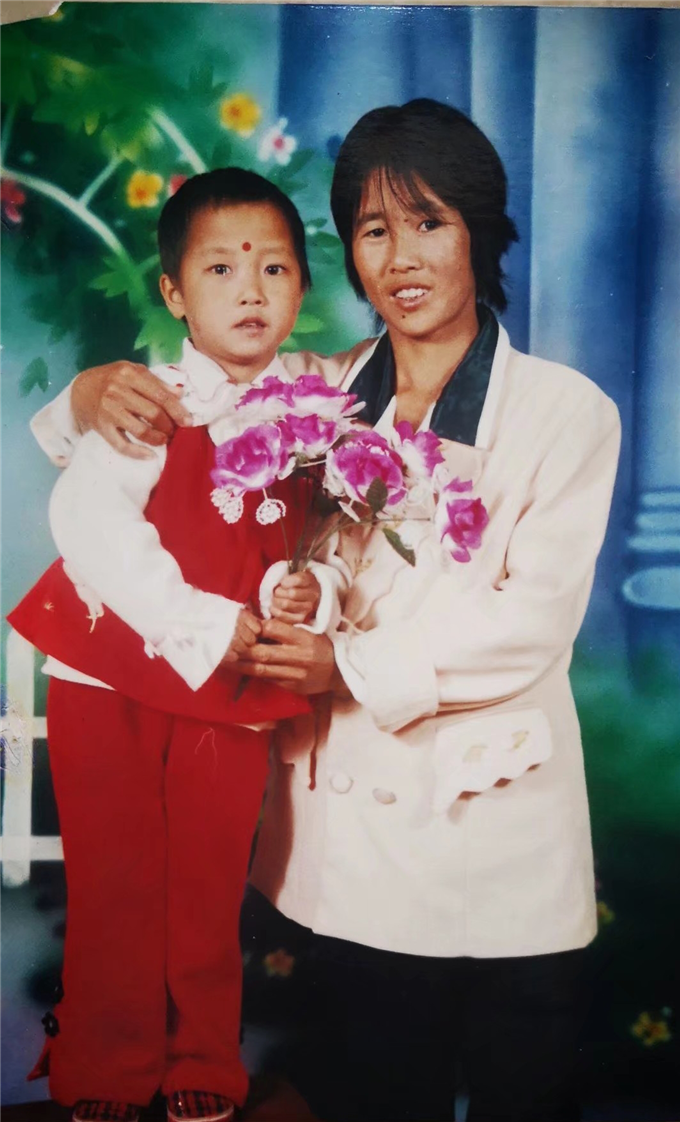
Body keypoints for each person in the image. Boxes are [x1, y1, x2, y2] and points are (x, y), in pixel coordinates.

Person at [28, 101, 621, 1122]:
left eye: (429, 221)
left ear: (478, 229)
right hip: (348, 853)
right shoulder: (315, 387)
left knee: (522, 1087)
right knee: (371, 1088)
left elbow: (531, 621)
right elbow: (186, 398)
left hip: (487, 829)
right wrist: (81, 398)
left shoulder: (565, 411)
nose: (402, 256)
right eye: (373, 229)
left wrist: (342, 663)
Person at [9, 168, 349, 1122]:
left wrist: (307, 593)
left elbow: (325, 543)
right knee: (116, 874)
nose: (250, 290)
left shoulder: (318, 414)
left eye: (274, 268)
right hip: (111, 668)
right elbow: (90, 522)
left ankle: (202, 1053)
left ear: (301, 290)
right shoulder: (147, 399)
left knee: (206, 876)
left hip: (227, 679)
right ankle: (106, 1062)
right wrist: (197, 619)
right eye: (221, 269)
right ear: (174, 293)